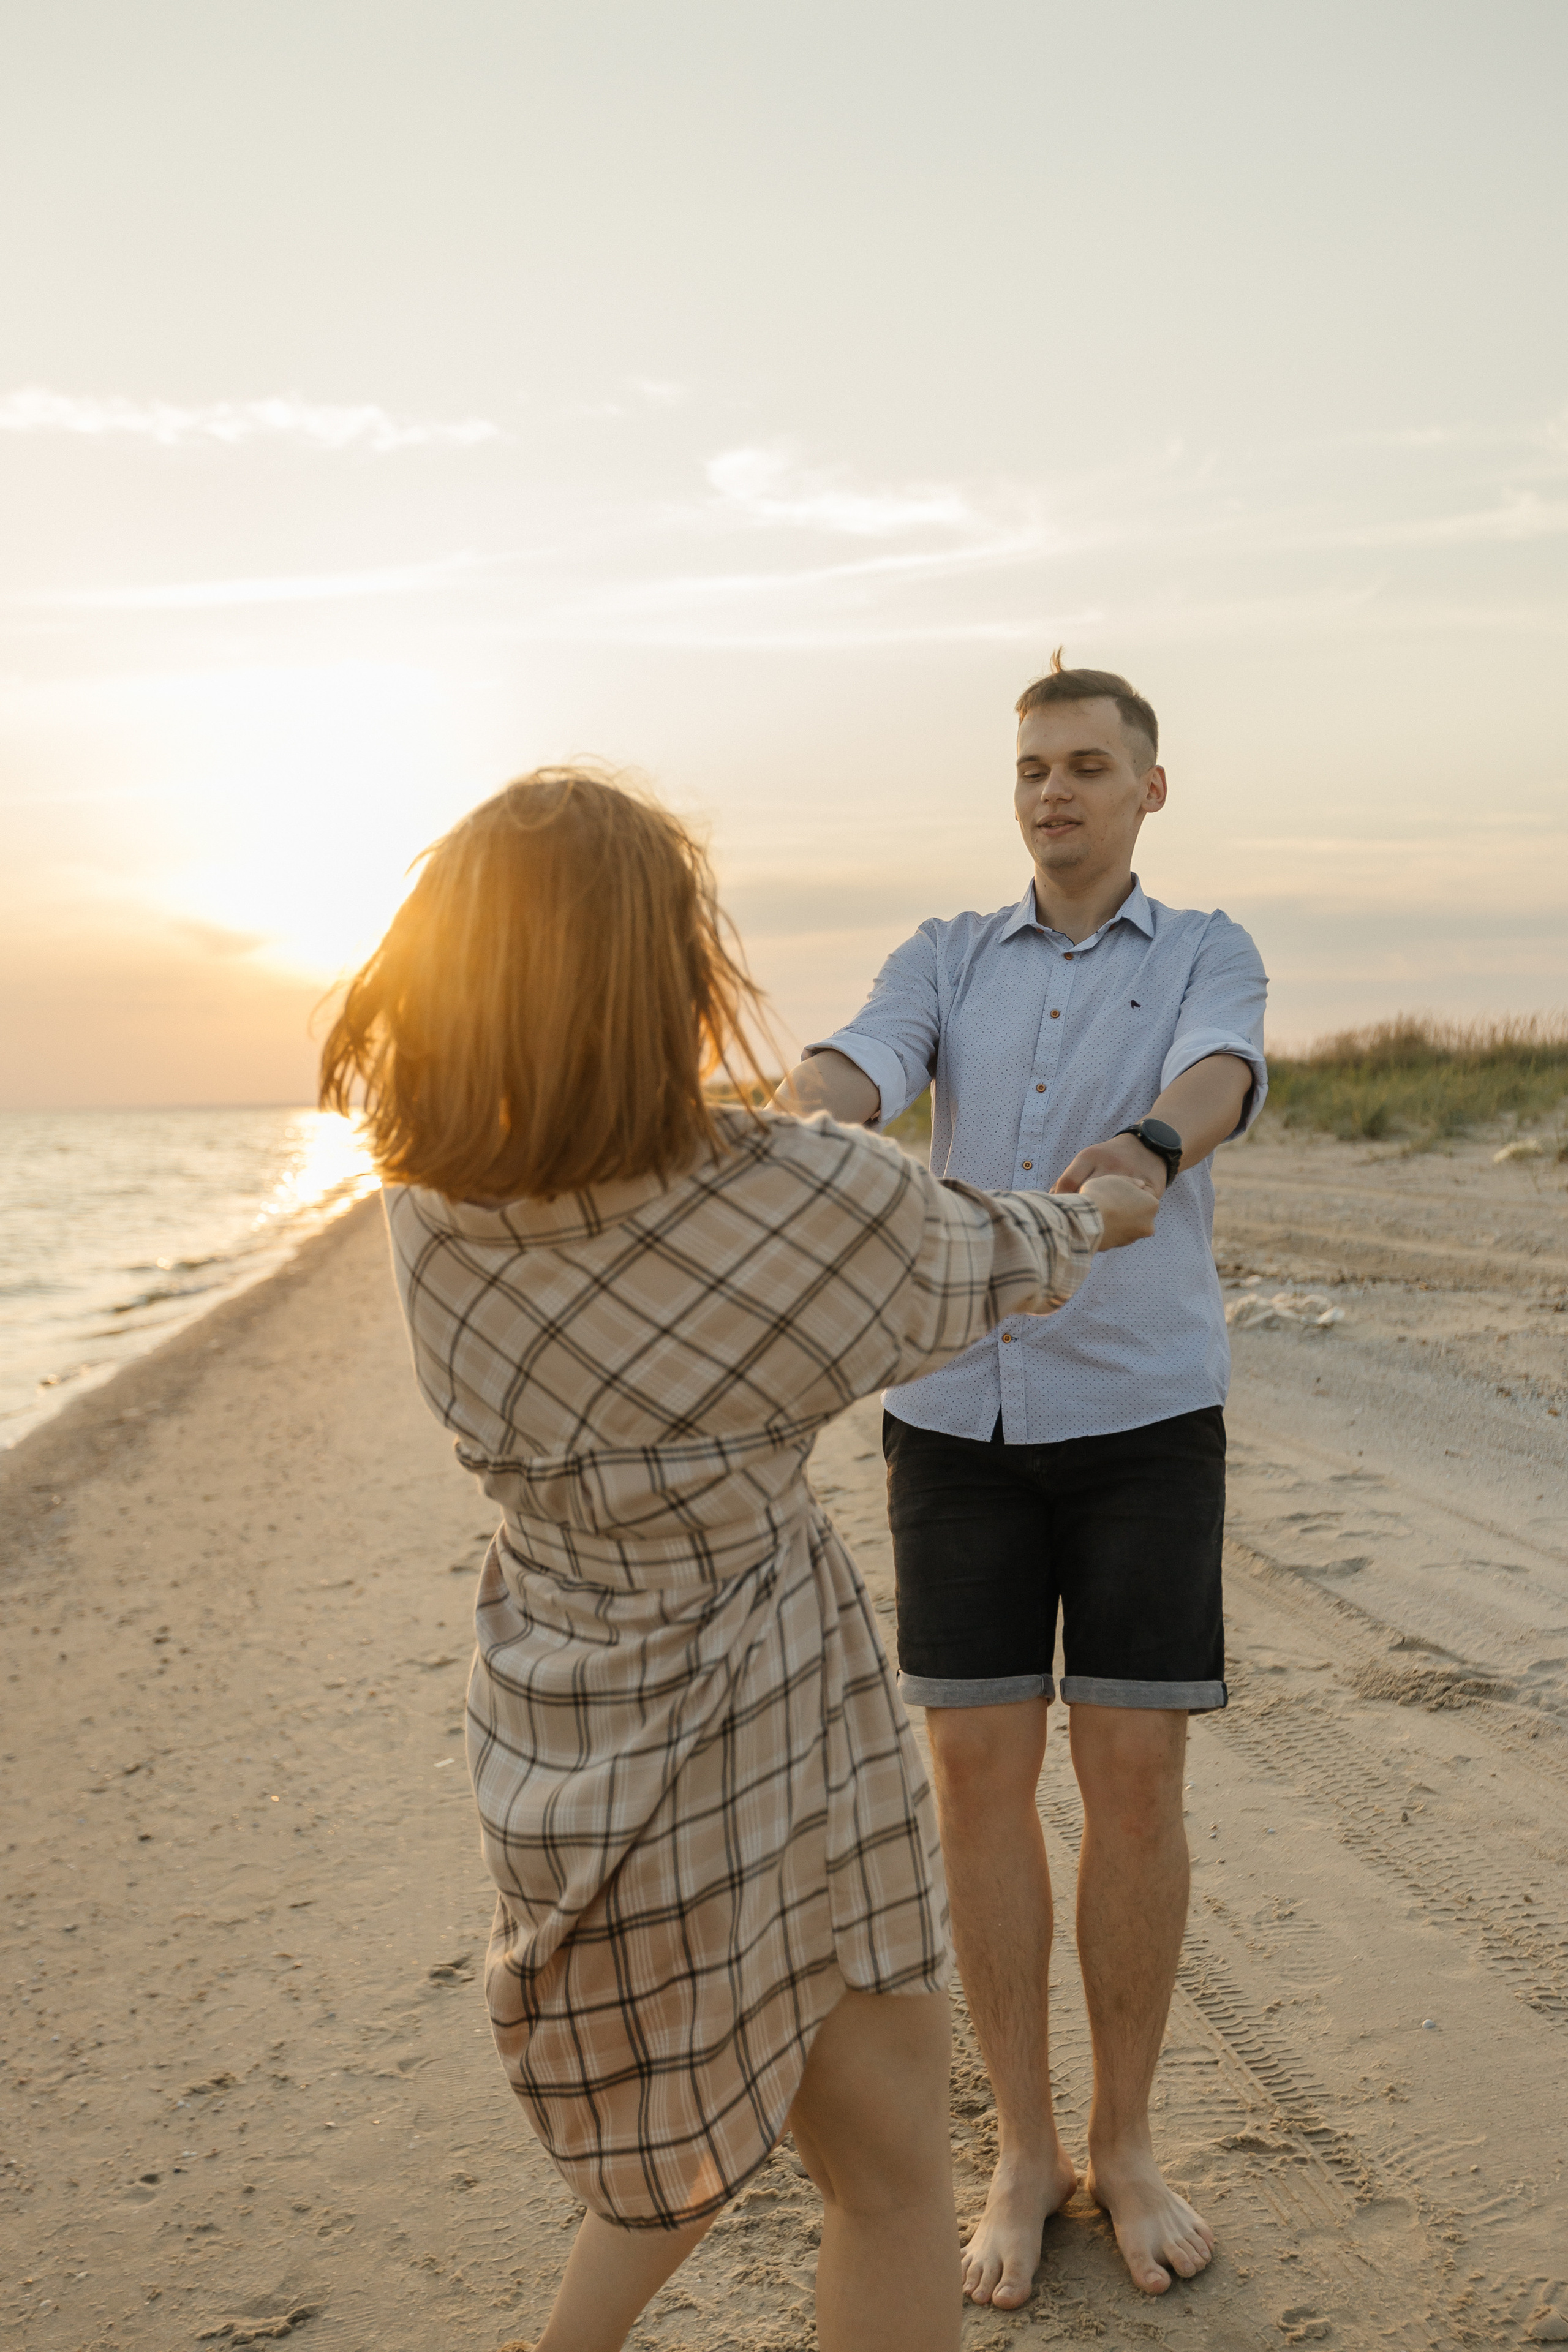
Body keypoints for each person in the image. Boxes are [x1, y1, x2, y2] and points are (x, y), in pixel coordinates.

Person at [318, 766, 1160, 2352]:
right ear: (667, 977)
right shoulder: (795, 1200)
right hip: (769, 1718)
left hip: (560, 1721)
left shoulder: (424, 1211)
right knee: (891, 2162)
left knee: (681, 2108)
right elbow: (991, 1252)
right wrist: (1106, 1213)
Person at [774, 654, 1268, 2307]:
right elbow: (863, 1062)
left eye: (1085, 765)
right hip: (958, 1423)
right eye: (1033, 770)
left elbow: (1220, 1078)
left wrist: (1150, 1147)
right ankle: (1026, 2151)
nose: (1054, 791)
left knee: (1134, 1785)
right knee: (978, 1785)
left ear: (1148, 787)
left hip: (1141, 1420)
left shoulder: (1208, 950)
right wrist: (812, 1113)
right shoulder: (946, 955)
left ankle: (1126, 2145)